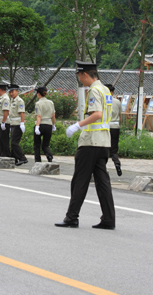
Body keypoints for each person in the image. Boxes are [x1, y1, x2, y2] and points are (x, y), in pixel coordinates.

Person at [55, 61, 115, 230]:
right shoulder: (105, 89)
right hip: (103, 142)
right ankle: (109, 219)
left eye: (80, 77)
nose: (81, 80)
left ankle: (71, 217)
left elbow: (97, 114)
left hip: (90, 142)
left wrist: (77, 125)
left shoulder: (95, 90)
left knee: (79, 180)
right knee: (103, 183)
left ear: (85, 74)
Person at [34, 86, 56, 163]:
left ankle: (38, 160)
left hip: (41, 124)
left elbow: (39, 116)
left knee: (37, 144)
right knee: (45, 144)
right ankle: (49, 155)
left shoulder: (38, 103)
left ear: (39, 94)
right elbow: (53, 115)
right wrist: (53, 125)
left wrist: (37, 127)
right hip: (49, 125)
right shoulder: (51, 102)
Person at [105, 83, 123, 176]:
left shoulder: (103, 100)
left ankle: (102, 167)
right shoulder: (117, 101)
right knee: (114, 149)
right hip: (115, 127)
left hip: (105, 127)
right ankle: (117, 163)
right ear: (112, 92)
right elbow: (120, 114)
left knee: (104, 148)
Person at [8, 84, 28, 166]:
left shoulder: (19, 101)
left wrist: (22, 123)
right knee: (12, 142)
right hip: (12, 124)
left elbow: (22, 113)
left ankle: (23, 158)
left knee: (14, 143)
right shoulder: (11, 101)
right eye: (10, 92)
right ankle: (14, 159)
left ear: (17, 91)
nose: (11, 93)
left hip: (18, 124)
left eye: (12, 91)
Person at [0, 83, 10, 157]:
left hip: (3, 122)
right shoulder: (0, 98)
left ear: (0, 89)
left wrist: (3, 122)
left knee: (4, 140)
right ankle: (1, 154)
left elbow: (6, 111)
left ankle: (6, 155)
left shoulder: (5, 99)